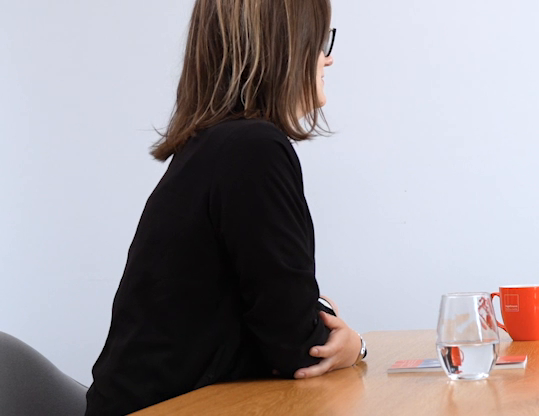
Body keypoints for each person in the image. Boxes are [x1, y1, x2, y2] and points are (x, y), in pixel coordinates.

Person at [86, 0, 365, 413]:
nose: (328, 58)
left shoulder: (215, 146)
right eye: (319, 41)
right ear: (284, 48)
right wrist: (355, 345)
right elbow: (297, 346)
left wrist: (308, 315)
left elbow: (276, 315)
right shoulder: (254, 150)